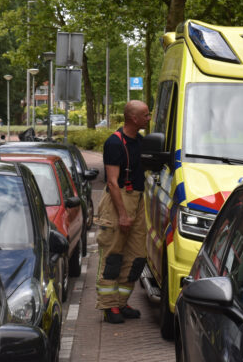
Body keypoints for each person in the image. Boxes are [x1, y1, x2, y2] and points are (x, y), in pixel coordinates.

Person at [96, 100, 152, 323]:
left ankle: (121, 302)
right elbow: (111, 182)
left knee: (137, 256)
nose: (149, 118)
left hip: (138, 201)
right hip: (119, 201)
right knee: (112, 256)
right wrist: (122, 214)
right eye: (146, 115)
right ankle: (109, 307)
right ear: (134, 119)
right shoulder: (114, 144)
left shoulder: (141, 141)